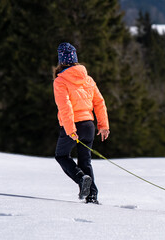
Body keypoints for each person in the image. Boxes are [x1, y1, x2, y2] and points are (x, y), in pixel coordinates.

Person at [53, 42, 110, 204]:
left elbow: (65, 106)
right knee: (85, 161)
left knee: (62, 156)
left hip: (73, 125)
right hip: (89, 126)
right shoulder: (88, 79)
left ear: (61, 60)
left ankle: (81, 178)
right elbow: (99, 102)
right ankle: (92, 196)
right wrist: (104, 125)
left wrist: (70, 129)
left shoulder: (60, 81)